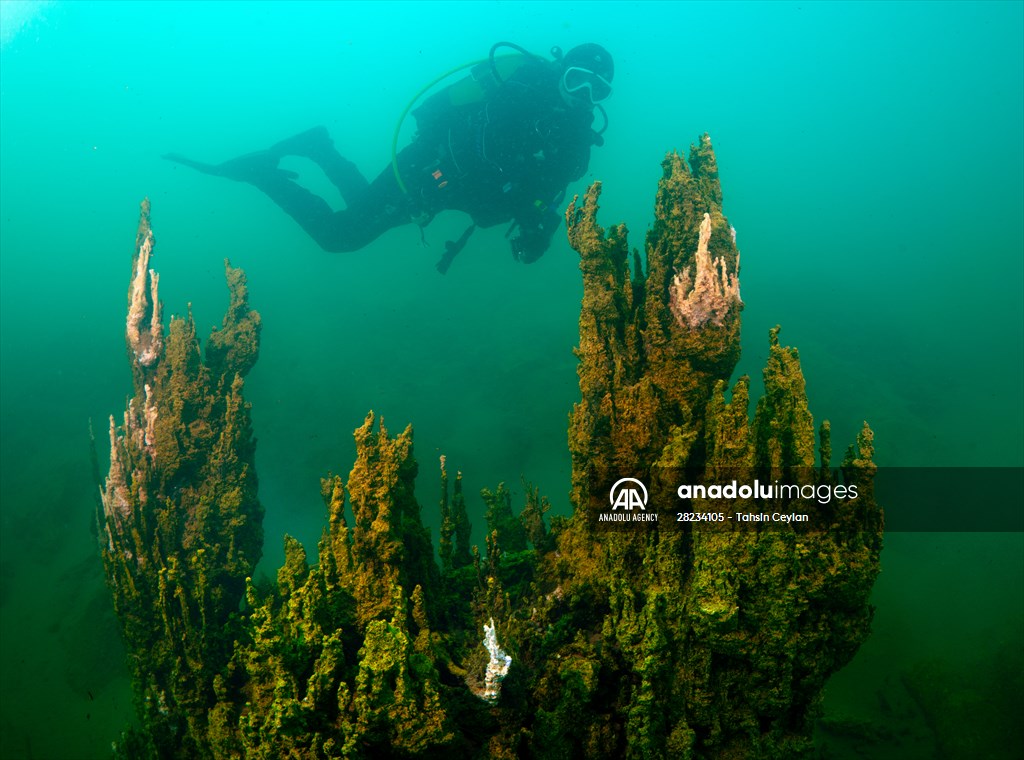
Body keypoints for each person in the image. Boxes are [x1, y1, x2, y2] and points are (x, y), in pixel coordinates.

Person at [163, 42, 613, 271]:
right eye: (577, 79)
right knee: (341, 237)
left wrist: (540, 225)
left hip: (457, 194)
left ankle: (321, 147)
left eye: (598, 89)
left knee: (359, 212)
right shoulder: (520, 90)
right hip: (429, 171)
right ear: (561, 71)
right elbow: (460, 130)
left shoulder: (577, 136)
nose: (584, 93)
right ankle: (264, 175)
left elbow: (551, 189)